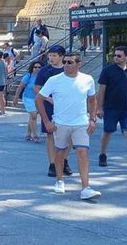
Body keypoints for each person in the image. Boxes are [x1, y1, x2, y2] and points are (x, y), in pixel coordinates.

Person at [37, 53, 100, 200]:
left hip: (81, 123)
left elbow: (92, 99)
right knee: (61, 152)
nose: (66, 64)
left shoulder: (87, 79)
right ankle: (59, 180)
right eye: (64, 62)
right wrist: (47, 121)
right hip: (61, 122)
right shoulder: (54, 80)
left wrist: (92, 119)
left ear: (79, 64)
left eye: (70, 62)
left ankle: (86, 188)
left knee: (82, 153)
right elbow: (38, 99)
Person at [95, 46, 127, 172]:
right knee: (107, 132)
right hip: (111, 107)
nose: (116, 57)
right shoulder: (107, 70)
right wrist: (99, 108)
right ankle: (102, 154)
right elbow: (101, 91)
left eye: (119, 55)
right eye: (114, 55)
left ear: (126, 57)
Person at [34, 45, 73, 177]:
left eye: (54, 55)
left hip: (67, 107)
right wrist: (49, 99)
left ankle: (64, 161)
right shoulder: (45, 71)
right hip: (49, 107)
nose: (51, 58)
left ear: (62, 56)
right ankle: (52, 164)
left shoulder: (68, 70)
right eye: (50, 55)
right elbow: (37, 88)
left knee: (69, 135)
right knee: (51, 135)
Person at [15, 61, 44, 142]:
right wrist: (16, 97)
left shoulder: (42, 76)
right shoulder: (28, 76)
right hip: (28, 98)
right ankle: (35, 135)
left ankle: (28, 133)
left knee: (32, 117)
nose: (37, 69)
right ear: (32, 67)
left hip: (38, 98)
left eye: (39, 67)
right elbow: (20, 87)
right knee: (34, 116)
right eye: (35, 67)